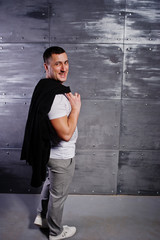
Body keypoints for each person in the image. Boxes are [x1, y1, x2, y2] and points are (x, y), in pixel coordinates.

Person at [21, 46, 81, 240]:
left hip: (49, 154)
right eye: (57, 64)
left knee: (50, 184)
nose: (64, 68)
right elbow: (65, 134)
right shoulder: (55, 97)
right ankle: (56, 231)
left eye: (66, 62)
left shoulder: (44, 86)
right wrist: (76, 109)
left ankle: (42, 216)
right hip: (61, 156)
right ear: (46, 67)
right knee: (59, 195)